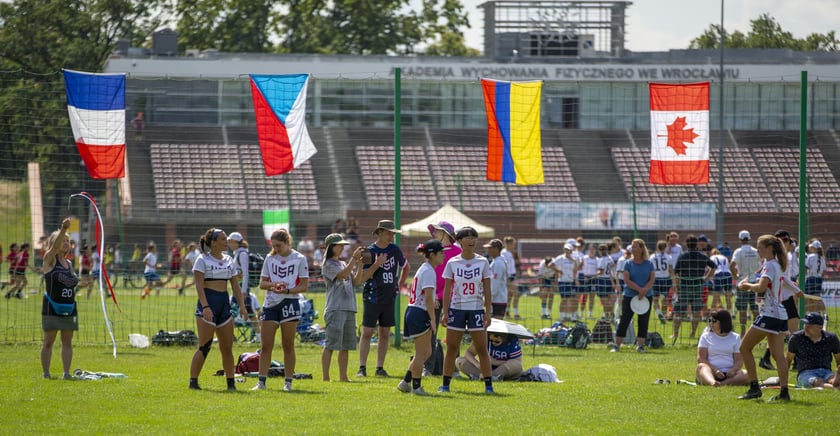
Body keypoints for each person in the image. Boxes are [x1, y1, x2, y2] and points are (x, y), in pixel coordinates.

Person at [189, 228, 247, 391]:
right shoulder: (202, 259)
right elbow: (199, 285)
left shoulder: (229, 259)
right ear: (213, 242)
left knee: (227, 347)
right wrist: (205, 306)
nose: (226, 242)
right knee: (204, 346)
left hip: (224, 305)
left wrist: (242, 306)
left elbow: (235, 285)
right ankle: (193, 382)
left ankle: (231, 383)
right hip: (208, 304)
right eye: (222, 239)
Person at [252, 229, 309, 392]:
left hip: (290, 302)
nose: (276, 249)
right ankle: (261, 382)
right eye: (274, 245)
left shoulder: (299, 258)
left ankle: (288, 382)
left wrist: (287, 291)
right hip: (270, 304)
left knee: (288, 344)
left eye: (279, 245)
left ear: (287, 242)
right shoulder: (270, 259)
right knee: (266, 345)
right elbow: (262, 283)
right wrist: (274, 285)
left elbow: (304, 286)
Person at [439, 226, 494, 394]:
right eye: (468, 237)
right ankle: (445, 385)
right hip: (457, 310)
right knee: (452, 348)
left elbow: (487, 289)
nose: (472, 240)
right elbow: (447, 290)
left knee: (482, 348)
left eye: (474, 237)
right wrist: (445, 311)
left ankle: (489, 386)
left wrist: (487, 312)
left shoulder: (483, 262)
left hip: (476, 310)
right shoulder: (452, 262)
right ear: (460, 241)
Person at [736, 235, 791, 401]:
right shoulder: (778, 264)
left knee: (744, 348)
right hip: (781, 314)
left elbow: (761, 287)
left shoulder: (769, 265)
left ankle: (754, 387)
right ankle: (784, 392)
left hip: (770, 313)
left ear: (770, 248)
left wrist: (746, 286)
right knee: (778, 355)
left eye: (760, 247)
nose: (757, 250)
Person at [354, 220, 409, 378]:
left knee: (385, 332)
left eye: (393, 233)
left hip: (389, 297)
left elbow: (406, 267)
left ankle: (380, 368)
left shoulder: (395, 250)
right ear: (379, 233)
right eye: (388, 232)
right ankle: (362, 368)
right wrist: (377, 264)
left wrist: (400, 284)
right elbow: (363, 278)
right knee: (367, 332)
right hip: (372, 296)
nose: (391, 235)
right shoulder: (369, 251)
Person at [398, 239, 443, 395]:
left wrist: (433, 301)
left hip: (416, 311)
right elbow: (429, 299)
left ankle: (406, 382)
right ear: (432, 254)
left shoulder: (426, 269)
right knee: (420, 353)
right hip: (419, 313)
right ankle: (416, 387)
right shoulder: (429, 271)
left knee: (427, 352)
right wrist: (432, 319)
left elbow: (428, 295)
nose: (443, 255)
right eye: (441, 253)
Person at [321, 233, 364, 382]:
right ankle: (326, 378)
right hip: (335, 308)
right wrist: (353, 259)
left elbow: (357, 282)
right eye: (339, 245)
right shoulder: (327, 265)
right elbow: (342, 275)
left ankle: (343, 376)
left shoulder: (344, 263)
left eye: (342, 245)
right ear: (331, 247)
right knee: (331, 344)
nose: (342, 247)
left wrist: (361, 264)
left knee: (345, 345)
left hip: (349, 307)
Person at [40, 218, 79, 380]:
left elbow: (72, 284)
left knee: (67, 342)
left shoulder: (69, 263)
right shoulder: (49, 260)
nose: (65, 243)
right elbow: (54, 247)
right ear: (54, 243)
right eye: (62, 240)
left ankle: (66, 373)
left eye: (67, 241)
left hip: (69, 307)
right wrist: (64, 228)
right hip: (51, 306)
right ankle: (46, 374)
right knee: (49, 341)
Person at [424, 220, 460, 376]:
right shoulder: (432, 251)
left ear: (445, 233)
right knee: (431, 333)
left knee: (453, 334)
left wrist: (444, 296)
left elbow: (456, 279)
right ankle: (428, 368)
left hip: (452, 299)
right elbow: (428, 275)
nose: (434, 234)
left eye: (437, 231)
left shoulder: (457, 252)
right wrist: (432, 295)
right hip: (434, 298)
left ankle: (454, 368)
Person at [611, 239, 655, 353]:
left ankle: (640, 345)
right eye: (632, 247)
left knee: (643, 321)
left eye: (635, 247)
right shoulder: (628, 263)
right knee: (625, 319)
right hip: (630, 295)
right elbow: (626, 279)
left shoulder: (649, 263)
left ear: (641, 249)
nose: (632, 249)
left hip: (646, 296)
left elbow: (652, 279)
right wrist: (639, 289)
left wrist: (644, 290)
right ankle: (617, 345)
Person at [672, 235, 715, 340]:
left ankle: (675, 334)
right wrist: (706, 278)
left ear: (686, 244)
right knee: (696, 311)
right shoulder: (702, 255)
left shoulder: (682, 256)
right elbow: (713, 266)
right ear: (696, 244)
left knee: (679, 311)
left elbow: (676, 272)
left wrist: (676, 285)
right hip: (697, 285)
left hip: (684, 286)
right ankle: (693, 334)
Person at [786, 312, 840, 389]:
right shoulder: (796, 338)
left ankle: (835, 381)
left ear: (820, 327)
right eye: (805, 324)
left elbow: (838, 359)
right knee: (817, 382)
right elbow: (788, 360)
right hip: (806, 373)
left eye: (810, 325)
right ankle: (834, 387)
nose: (806, 327)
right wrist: (783, 379)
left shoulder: (831, 338)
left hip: (826, 371)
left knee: (830, 379)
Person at [696, 310, 749, 386]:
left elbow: (739, 360)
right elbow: (701, 358)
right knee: (701, 366)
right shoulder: (705, 336)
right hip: (710, 371)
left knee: (747, 374)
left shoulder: (735, 337)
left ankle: (722, 384)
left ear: (723, 322)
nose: (711, 323)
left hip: (729, 374)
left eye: (714, 321)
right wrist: (715, 370)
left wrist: (733, 370)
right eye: (709, 320)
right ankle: (712, 382)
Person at [228, 232, 260, 343]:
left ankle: (231, 337)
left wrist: (243, 290)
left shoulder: (242, 254)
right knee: (246, 312)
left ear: (237, 242)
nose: (229, 243)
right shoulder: (237, 253)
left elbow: (245, 273)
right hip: (238, 287)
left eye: (231, 241)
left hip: (241, 288)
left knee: (234, 312)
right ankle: (230, 336)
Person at [730, 230, 762, 336]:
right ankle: (756, 332)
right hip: (754, 282)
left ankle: (743, 332)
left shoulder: (738, 251)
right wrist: (757, 273)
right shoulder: (755, 251)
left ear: (740, 239)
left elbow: (732, 264)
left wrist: (736, 276)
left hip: (742, 282)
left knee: (742, 309)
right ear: (749, 238)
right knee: (755, 308)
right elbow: (762, 263)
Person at [456, 331, 523, 381]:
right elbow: (468, 353)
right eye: (491, 340)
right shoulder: (483, 337)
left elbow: (517, 362)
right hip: (484, 369)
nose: (493, 343)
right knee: (459, 360)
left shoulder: (512, 340)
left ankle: (487, 376)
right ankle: (486, 377)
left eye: (497, 341)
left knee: (516, 365)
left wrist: (495, 362)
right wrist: (477, 365)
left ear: (504, 337)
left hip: (503, 369)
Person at [552, 243, 579, 322]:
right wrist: (559, 271)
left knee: (572, 299)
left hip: (571, 281)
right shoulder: (561, 258)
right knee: (564, 299)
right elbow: (552, 265)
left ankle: (571, 317)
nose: (566, 251)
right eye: (565, 249)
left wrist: (575, 279)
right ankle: (562, 317)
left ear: (571, 251)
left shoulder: (574, 258)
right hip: (563, 281)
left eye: (568, 250)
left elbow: (575, 270)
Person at [483, 239, 508, 319]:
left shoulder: (498, 263)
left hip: (498, 300)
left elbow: (495, 283)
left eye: (490, 248)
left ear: (496, 249)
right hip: (495, 299)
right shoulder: (496, 261)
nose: (488, 250)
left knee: (497, 326)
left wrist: (488, 298)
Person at [651, 240, 674, 324]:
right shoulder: (669, 257)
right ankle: (664, 317)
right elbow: (671, 270)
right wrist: (674, 282)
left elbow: (650, 270)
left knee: (655, 300)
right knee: (664, 300)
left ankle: (659, 313)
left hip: (656, 279)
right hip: (666, 279)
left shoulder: (652, 257)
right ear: (665, 247)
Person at [593, 243, 618, 320]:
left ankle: (607, 316)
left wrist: (593, 276)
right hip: (610, 280)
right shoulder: (610, 258)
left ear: (600, 251)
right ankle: (612, 314)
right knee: (611, 299)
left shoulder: (602, 260)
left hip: (602, 280)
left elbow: (601, 272)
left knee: (605, 301)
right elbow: (613, 266)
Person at [803, 240, 826, 313]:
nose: (810, 248)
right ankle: (821, 313)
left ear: (814, 248)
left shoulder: (810, 256)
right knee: (817, 297)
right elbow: (823, 271)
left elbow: (805, 268)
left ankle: (808, 313)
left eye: (811, 247)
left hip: (811, 278)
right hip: (819, 279)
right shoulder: (822, 258)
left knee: (808, 297)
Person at [502, 236, 522, 319]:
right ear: (508, 244)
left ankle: (507, 312)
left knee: (509, 296)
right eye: (513, 244)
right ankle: (516, 314)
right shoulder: (504, 253)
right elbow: (504, 266)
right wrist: (507, 278)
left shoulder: (510, 253)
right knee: (517, 294)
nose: (514, 246)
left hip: (512, 276)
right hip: (508, 277)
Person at [537, 255, 556, 319]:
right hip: (544, 278)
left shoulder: (555, 263)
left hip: (552, 278)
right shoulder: (542, 265)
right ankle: (543, 313)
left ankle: (549, 314)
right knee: (544, 295)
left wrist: (555, 285)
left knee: (551, 296)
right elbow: (540, 277)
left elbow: (557, 274)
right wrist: (540, 290)